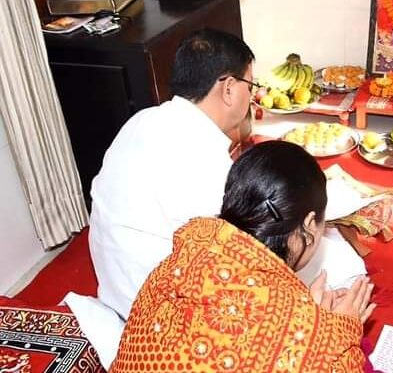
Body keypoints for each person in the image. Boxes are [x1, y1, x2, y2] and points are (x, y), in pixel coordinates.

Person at [111, 141, 376, 372]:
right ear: (308, 224)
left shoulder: (175, 264)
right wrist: (338, 333)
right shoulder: (302, 334)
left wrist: (308, 319)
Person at [88, 29, 255, 321]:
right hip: (158, 313)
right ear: (228, 89)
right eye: (251, 86)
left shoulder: (141, 120)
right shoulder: (203, 155)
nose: (252, 97)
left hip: (116, 289)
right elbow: (234, 252)